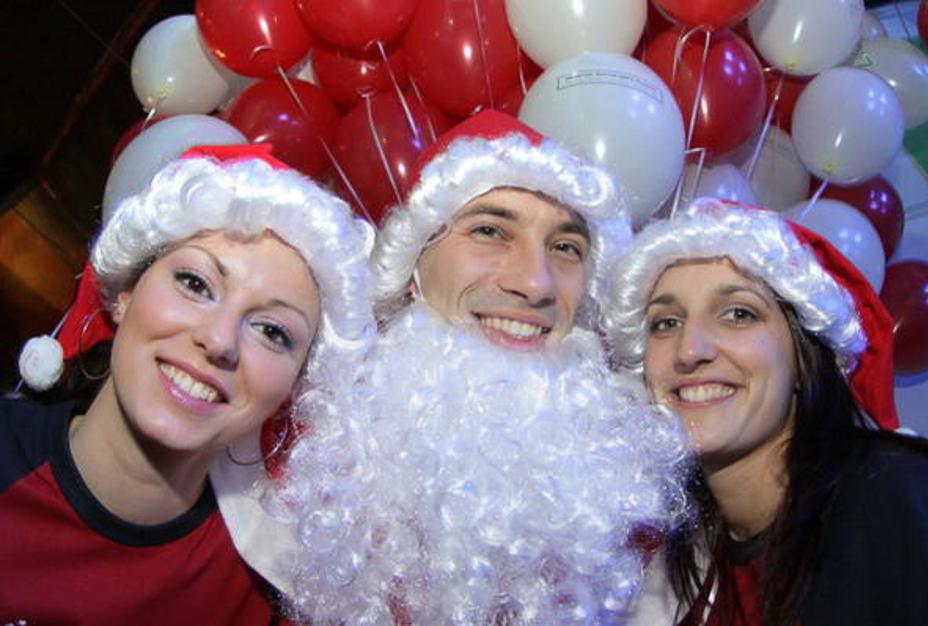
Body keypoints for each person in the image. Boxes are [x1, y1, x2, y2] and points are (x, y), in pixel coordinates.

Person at [275, 110, 692, 624]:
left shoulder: (635, 513)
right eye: (490, 231)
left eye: (566, 247)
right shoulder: (290, 474)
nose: (535, 285)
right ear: (412, 268)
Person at [1, 144, 375, 625]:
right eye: (196, 284)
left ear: (291, 392)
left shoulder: (273, 594)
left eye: (272, 331)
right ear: (125, 292)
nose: (219, 340)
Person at [603, 199, 928, 626]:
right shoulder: (678, 564)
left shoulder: (900, 501)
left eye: (738, 314)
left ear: (803, 357)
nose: (690, 350)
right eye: (666, 323)